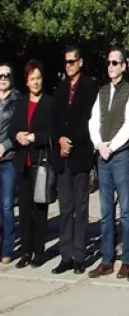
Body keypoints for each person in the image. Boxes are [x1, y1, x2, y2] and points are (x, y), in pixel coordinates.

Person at [87, 48, 129, 279]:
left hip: (120, 156)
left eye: (115, 63)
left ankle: (127, 259)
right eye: (109, 62)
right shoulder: (102, 91)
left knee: (125, 210)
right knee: (106, 212)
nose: (111, 66)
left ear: (124, 66)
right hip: (103, 155)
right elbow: (93, 120)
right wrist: (99, 144)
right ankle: (106, 259)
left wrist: (111, 146)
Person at [51, 45, 98, 275]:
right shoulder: (60, 88)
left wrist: (72, 141)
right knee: (65, 207)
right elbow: (54, 118)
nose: (68, 65)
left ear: (80, 62)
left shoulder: (89, 87)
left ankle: (79, 256)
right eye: (66, 62)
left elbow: (88, 119)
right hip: (62, 156)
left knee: (81, 207)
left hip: (79, 154)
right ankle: (65, 255)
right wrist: (60, 139)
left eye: (72, 61)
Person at [12, 60, 53, 268]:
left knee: (39, 209)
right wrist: (17, 135)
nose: (36, 82)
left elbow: (51, 134)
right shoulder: (20, 102)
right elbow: (13, 129)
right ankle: (25, 252)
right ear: (26, 82)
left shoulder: (48, 103)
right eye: (32, 79)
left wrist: (35, 137)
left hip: (40, 162)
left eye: (38, 78)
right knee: (25, 209)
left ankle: (38, 251)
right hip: (23, 162)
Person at [0, 63, 19, 264]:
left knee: (6, 205)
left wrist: (4, 146)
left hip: (9, 159)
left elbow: (17, 127)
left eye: (6, 75)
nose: (3, 78)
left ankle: (7, 248)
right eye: (0, 75)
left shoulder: (16, 100)